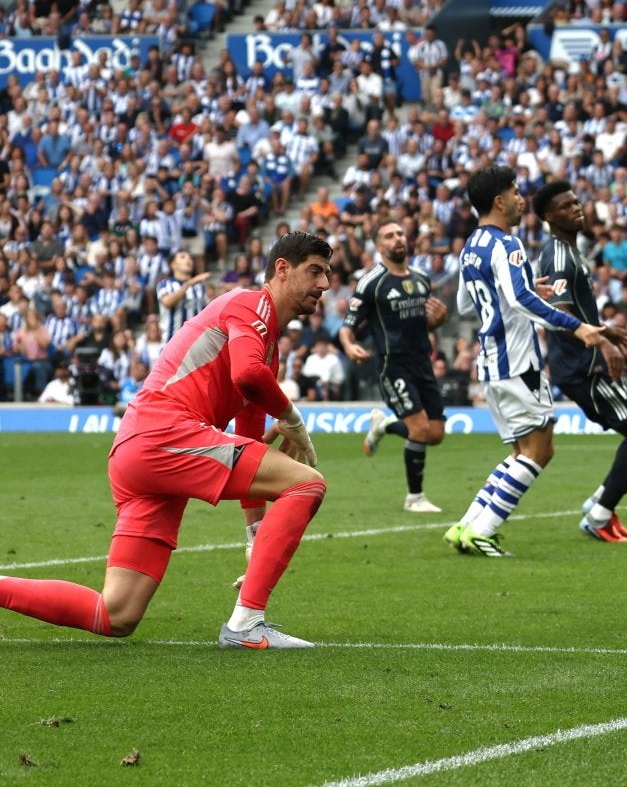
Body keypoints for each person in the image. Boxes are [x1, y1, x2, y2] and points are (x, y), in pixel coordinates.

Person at [0, 232, 332, 649]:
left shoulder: (266, 340)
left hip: (139, 450)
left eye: (327, 274)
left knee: (116, 614)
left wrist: (255, 532)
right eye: (315, 271)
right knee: (307, 483)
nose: (324, 285)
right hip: (164, 434)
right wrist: (293, 417)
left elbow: (248, 423)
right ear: (282, 269)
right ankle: (247, 625)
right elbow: (248, 376)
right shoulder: (251, 305)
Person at [444, 166, 626, 557]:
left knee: (520, 452)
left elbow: (464, 303)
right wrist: (578, 328)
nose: (520, 199)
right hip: (518, 360)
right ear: (498, 201)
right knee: (540, 450)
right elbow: (519, 301)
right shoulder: (507, 244)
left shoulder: (471, 245)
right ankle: (484, 530)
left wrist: (526, 285)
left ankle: (468, 524)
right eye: (514, 192)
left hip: (491, 361)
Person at [534, 180, 627, 543]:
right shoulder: (559, 256)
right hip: (584, 365)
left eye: (576, 202)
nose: (576, 208)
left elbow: (575, 309)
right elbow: (558, 312)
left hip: (592, 356)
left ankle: (600, 499)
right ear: (548, 217)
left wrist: (608, 332)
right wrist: (602, 345)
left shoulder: (572, 250)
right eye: (565, 206)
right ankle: (599, 514)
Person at [340, 221, 449, 513]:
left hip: (422, 362)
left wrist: (439, 321)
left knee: (436, 434)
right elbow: (347, 328)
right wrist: (350, 346)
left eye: (400, 233)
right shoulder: (371, 282)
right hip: (393, 364)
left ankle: (386, 425)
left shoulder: (422, 278)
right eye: (389, 236)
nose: (397, 239)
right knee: (420, 428)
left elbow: (426, 323)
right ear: (379, 246)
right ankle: (415, 497)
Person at [156, 249, 210, 343]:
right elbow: (168, 302)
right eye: (183, 257)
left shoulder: (200, 287)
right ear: (173, 265)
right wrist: (188, 283)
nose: (188, 260)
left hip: (196, 345)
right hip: (171, 343)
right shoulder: (165, 284)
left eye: (190, 258)